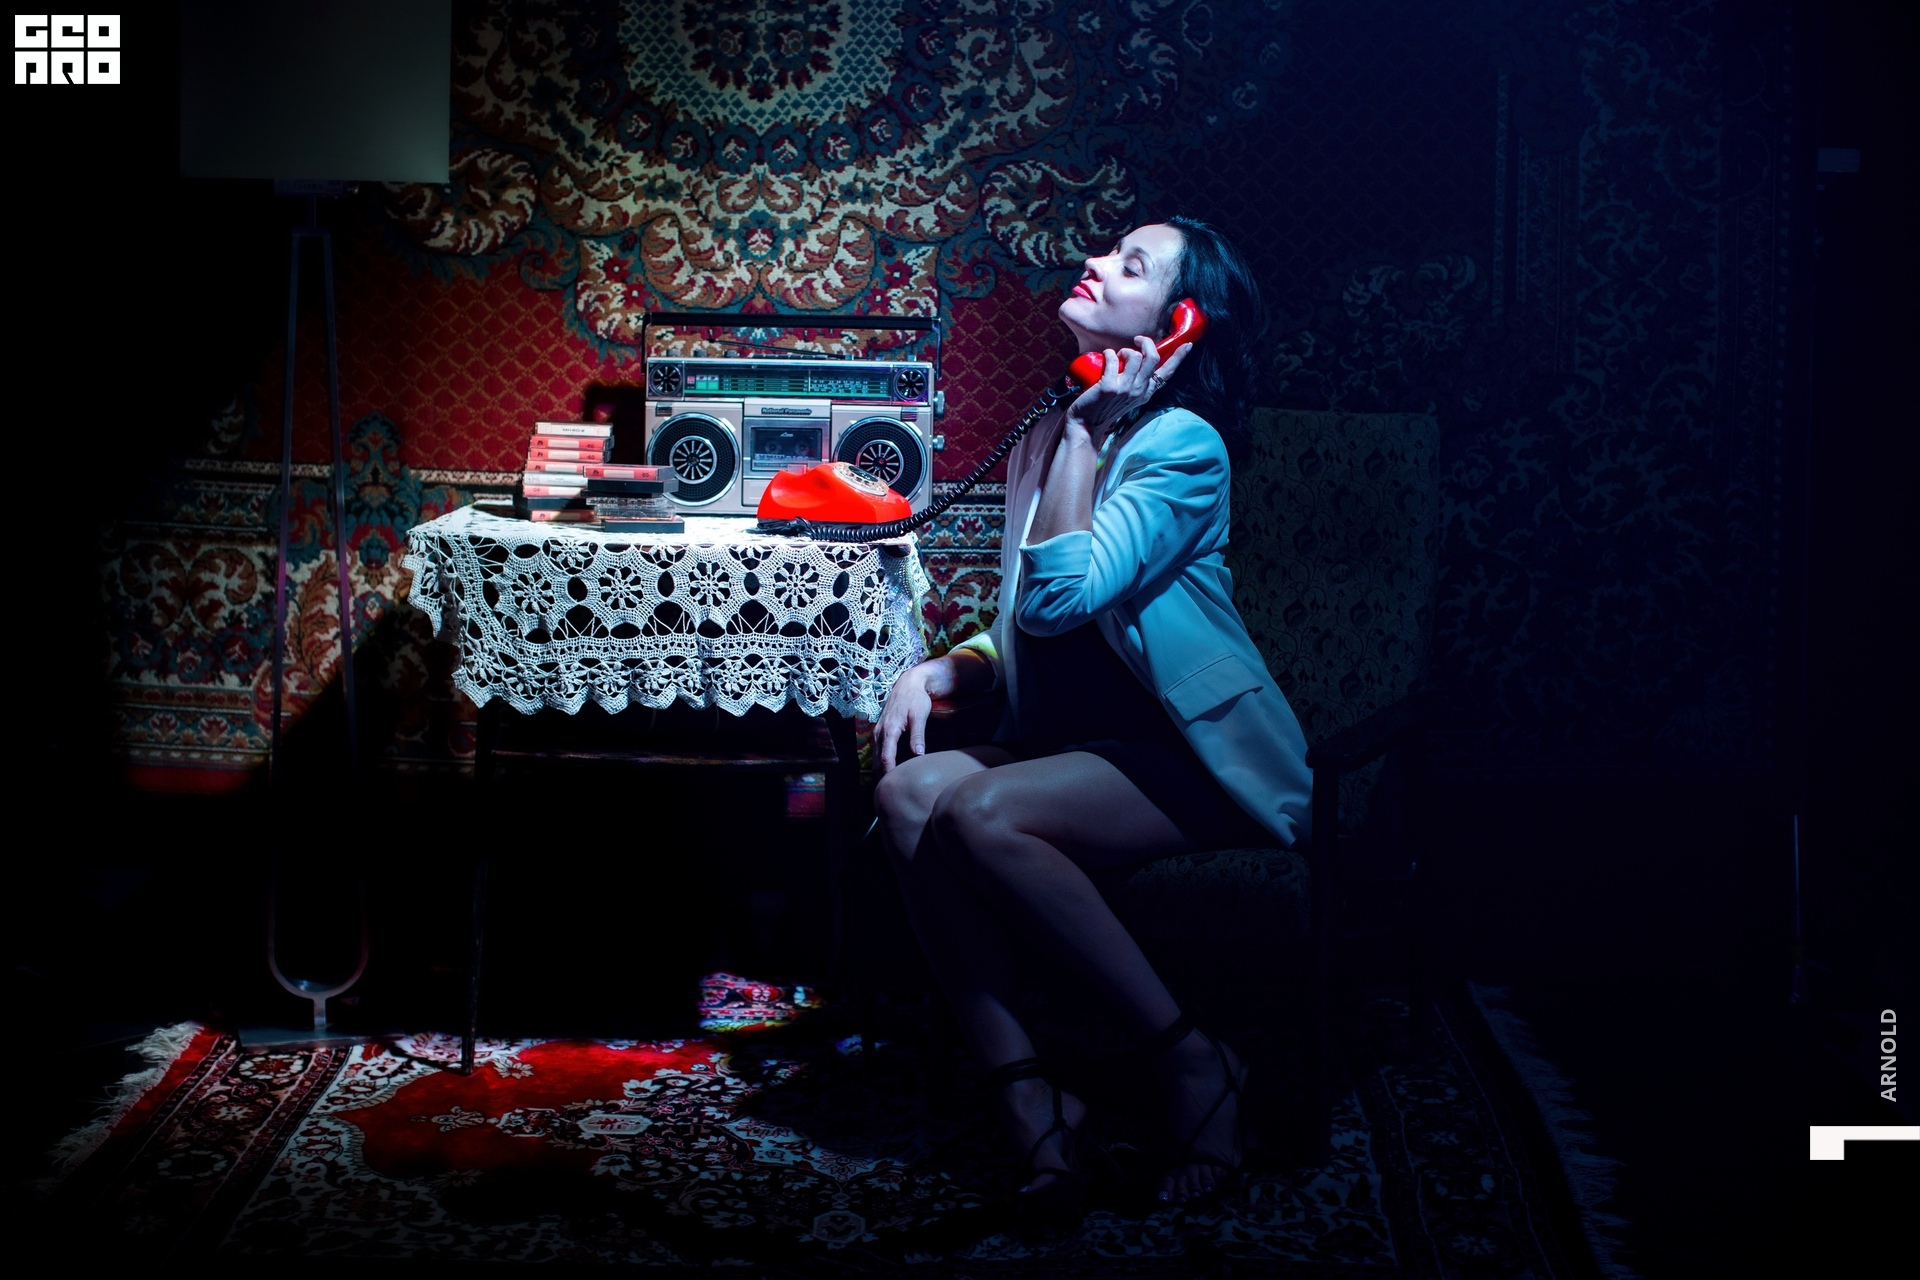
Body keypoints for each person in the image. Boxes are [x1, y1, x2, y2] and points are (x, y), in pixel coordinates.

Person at [872, 216, 1314, 1220]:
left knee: (981, 812)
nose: (1096, 264)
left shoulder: (1182, 447)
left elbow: (1064, 597)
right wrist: (953, 664)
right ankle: (1030, 1097)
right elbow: (1027, 626)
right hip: (1072, 747)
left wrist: (1083, 435)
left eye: (1132, 265)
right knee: (906, 796)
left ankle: (1193, 1059)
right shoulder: (1048, 431)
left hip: (1182, 755)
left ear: (1179, 324)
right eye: (1107, 251)